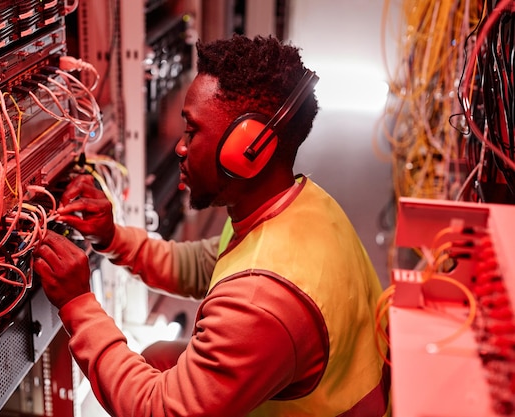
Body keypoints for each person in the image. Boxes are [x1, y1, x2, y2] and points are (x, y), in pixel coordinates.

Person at [34, 34, 390, 416]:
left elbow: (157, 410)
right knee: (161, 356)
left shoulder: (260, 303)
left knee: (158, 373)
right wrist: (111, 237)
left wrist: (78, 304)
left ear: (248, 150)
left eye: (192, 130)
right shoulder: (302, 205)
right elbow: (203, 265)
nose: (180, 148)